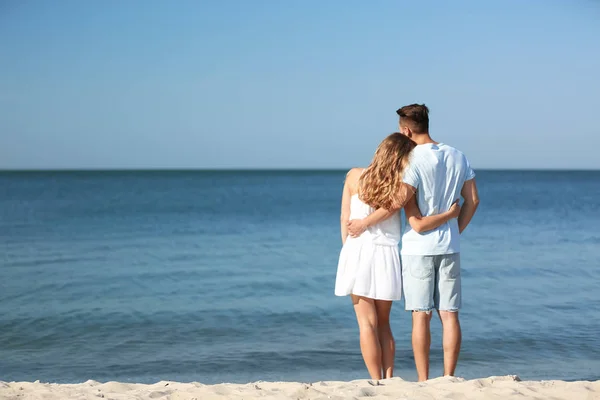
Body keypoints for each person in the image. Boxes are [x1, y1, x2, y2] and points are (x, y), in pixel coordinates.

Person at [348, 104, 480, 381]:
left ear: (406, 130)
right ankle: (448, 377)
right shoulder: (458, 155)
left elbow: (397, 204)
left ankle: (423, 380)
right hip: (450, 247)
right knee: (450, 313)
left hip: (418, 248)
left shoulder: (412, 160)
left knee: (421, 315)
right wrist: (455, 229)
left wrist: (363, 223)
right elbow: (473, 200)